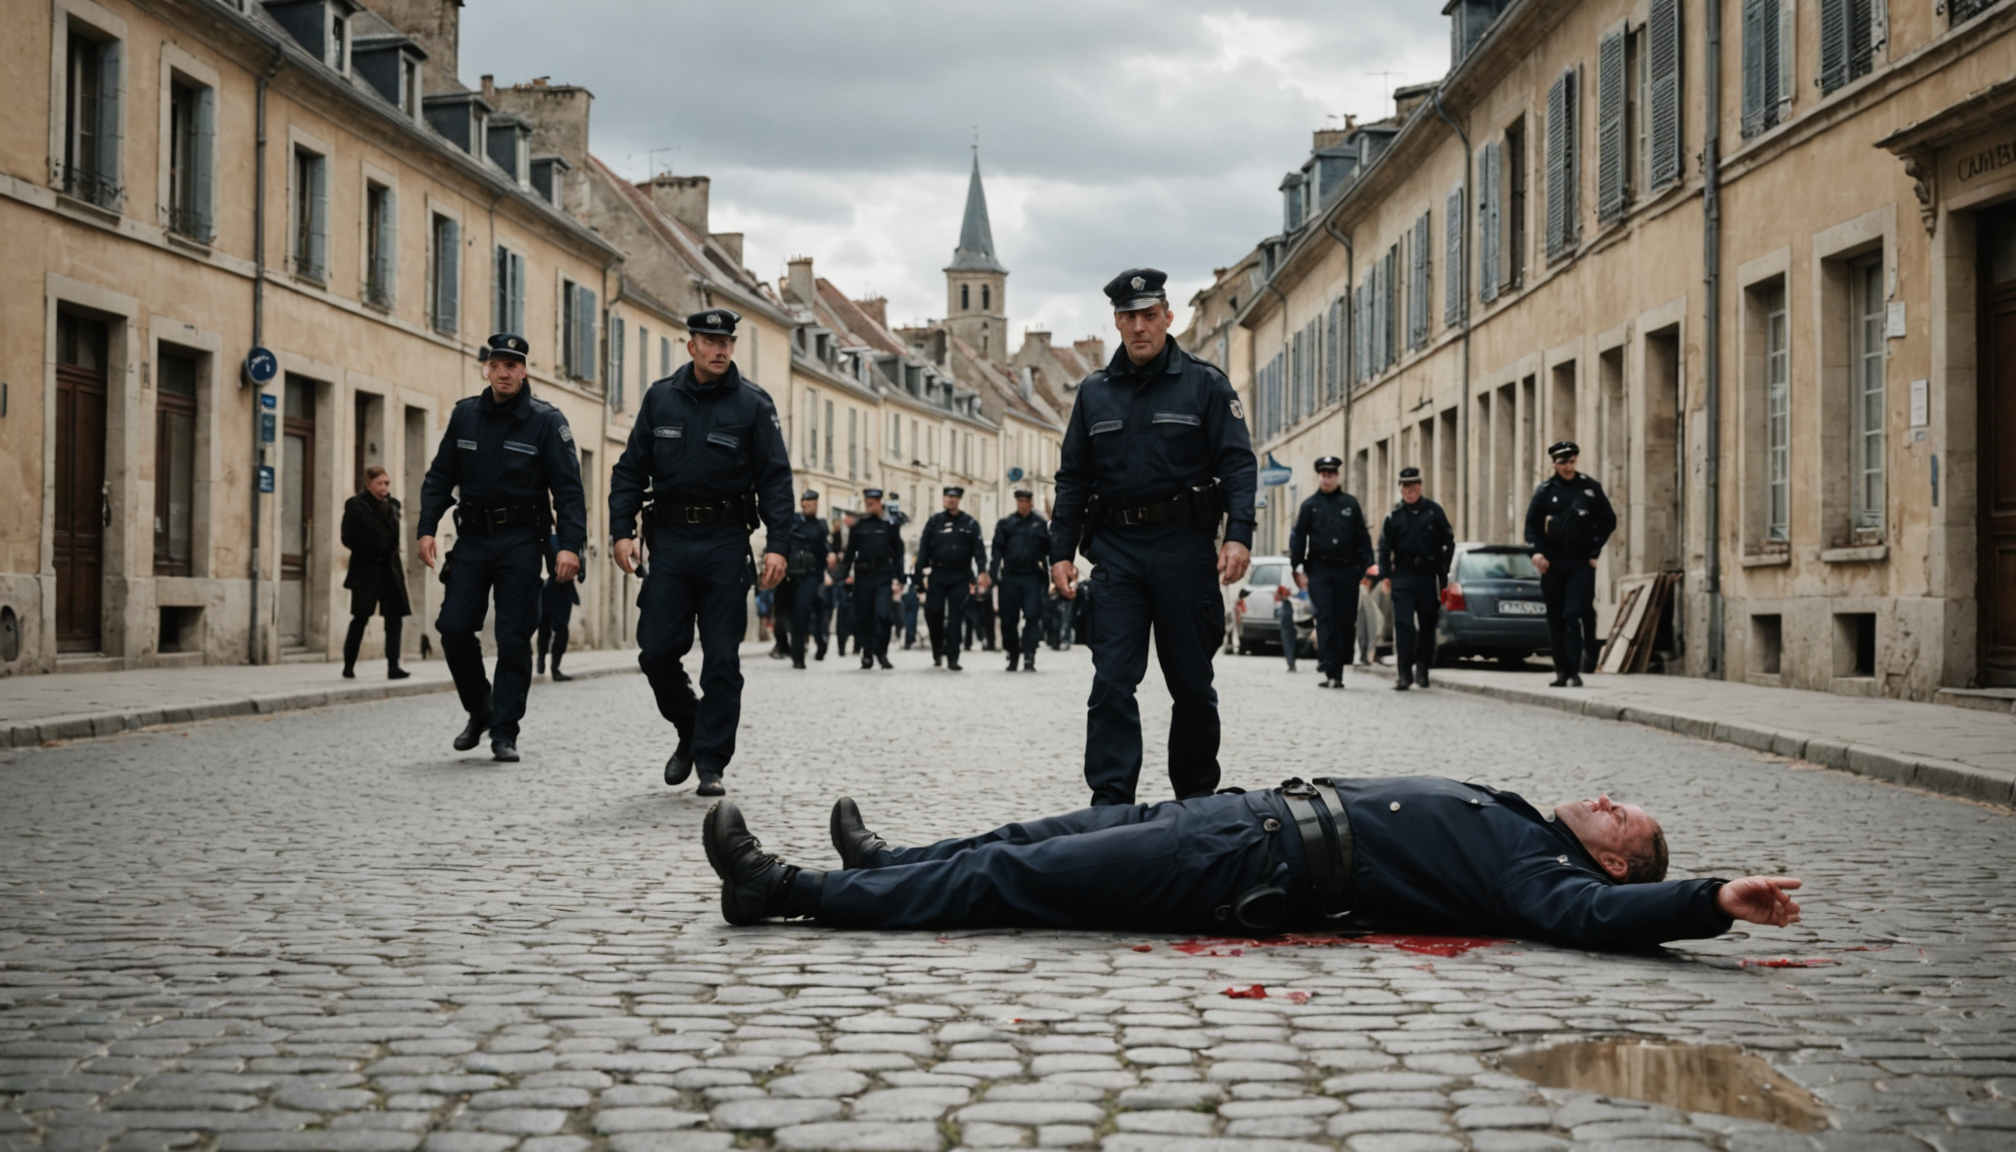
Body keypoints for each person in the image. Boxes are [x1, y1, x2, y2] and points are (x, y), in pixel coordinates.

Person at [699, 783, 1807, 955]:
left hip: (1247, 861)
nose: (1606, 797)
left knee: (1018, 886)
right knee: (1029, 841)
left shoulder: (1545, 875)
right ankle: (889, 860)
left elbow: (1590, 923)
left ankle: (786, 892)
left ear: (1618, 859)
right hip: (1242, 813)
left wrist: (1704, 897)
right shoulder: (1531, 826)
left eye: (1622, 813)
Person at [1050, 268, 1258, 807]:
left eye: (1149, 316)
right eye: (1129, 318)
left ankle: (1196, 801)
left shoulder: (1205, 384)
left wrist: (1238, 535)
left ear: (1168, 318)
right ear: (1117, 323)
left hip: (1183, 549)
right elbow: (1073, 478)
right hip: (1117, 551)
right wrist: (1060, 552)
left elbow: (1238, 464)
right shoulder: (1094, 393)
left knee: (1191, 684)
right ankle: (1111, 804)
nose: (1140, 327)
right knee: (1112, 682)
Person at [609, 308, 793, 797]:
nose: (720, 349)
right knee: (655, 652)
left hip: (725, 543)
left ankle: (711, 761)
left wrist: (778, 545)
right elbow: (629, 471)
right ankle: (690, 728)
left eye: (727, 342)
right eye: (710, 341)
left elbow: (776, 479)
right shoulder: (660, 399)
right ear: (690, 345)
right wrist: (621, 531)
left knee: (722, 660)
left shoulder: (753, 404)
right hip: (668, 542)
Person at [417, 333, 587, 762]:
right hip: (472, 537)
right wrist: (426, 529)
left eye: (513, 365)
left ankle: (504, 732)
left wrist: (570, 546)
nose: (505, 372)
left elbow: (569, 492)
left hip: (521, 541)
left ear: (524, 370)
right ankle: (482, 708)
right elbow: (439, 477)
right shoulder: (464, 416)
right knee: (453, 628)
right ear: (487, 369)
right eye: (497, 364)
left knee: (514, 637)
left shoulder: (547, 422)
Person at [1525, 440, 1619, 688]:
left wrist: (1594, 550)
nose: (1568, 466)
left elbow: (1608, 520)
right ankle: (1561, 671)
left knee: (1573, 614)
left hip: (1580, 562)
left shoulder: (1589, 488)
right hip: (1553, 563)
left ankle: (1575, 670)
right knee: (1556, 617)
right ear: (1554, 463)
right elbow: (1532, 526)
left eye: (1571, 461)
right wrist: (1537, 553)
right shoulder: (1545, 491)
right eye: (1562, 462)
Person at [1289, 456, 1374, 689]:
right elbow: (1298, 538)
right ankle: (1327, 664)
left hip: (1347, 569)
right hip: (1320, 569)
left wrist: (1369, 566)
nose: (1327, 479)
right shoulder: (1310, 505)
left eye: (1331, 475)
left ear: (1337, 476)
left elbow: (1362, 537)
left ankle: (1339, 669)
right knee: (1325, 615)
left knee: (1345, 619)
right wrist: (1296, 567)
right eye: (1323, 475)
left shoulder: (1350, 504)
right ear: (1319, 476)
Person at [1377, 467, 1455, 692]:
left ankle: (1423, 668)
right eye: (1405, 487)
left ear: (1420, 487)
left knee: (1428, 625)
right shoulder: (1394, 517)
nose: (1409, 491)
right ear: (1400, 489)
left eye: (1413, 486)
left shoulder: (1434, 512)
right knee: (1404, 626)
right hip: (1403, 575)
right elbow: (1384, 548)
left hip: (1427, 576)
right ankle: (1404, 673)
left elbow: (1449, 541)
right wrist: (1386, 576)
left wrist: (1444, 570)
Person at [339, 465, 411, 681]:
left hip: (390, 569)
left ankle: (393, 666)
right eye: (379, 483)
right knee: (360, 618)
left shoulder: (393, 506)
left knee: (394, 618)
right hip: (366, 570)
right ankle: (348, 666)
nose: (384, 487)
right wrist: (368, 549)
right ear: (368, 484)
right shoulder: (356, 506)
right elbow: (347, 537)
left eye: (386, 483)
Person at [914, 487, 987, 670]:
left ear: (960, 499)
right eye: (948, 497)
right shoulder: (934, 522)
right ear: (943, 499)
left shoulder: (969, 523)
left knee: (956, 617)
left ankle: (953, 657)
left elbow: (979, 551)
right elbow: (923, 550)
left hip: (960, 576)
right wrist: (918, 576)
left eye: (954, 497)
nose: (951, 500)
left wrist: (982, 571)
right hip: (938, 574)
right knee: (933, 612)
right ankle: (938, 649)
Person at [840, 490, 903, 670]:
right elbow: (849, 553)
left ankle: (881, 652)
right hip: (864, 577)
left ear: (880, 503)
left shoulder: (889, 526)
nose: (869, 507)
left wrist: (899, 577)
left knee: (884, 616)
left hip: (883, 576)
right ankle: (867, 653)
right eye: (867, 503)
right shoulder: (860, 526)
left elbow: (898, 552)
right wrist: (843, 575)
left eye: (873, 503)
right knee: (864, 617)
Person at [991, 488, 1051, 672]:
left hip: (1033, 576)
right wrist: (993, 576)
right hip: (1010, 577)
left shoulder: (1040, 524)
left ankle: (1029, 655)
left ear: (1031, 502)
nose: (1024, 505)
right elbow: (997, 551)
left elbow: (1050, 550)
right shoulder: (1006, 524)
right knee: (1008, 619)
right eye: (1020, 501)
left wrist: (1053, 576)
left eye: (1026, 501)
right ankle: (1013, 653)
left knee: (1033, 616)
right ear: (1017, 503)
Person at [775, 490, 832, 670]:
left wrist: (826, 568)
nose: (806, 507)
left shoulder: (821, 526)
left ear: (816, 504)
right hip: (791, 576)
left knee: (803, 612)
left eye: (810, 504)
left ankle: (799, 656)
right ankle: (794, 649)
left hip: (810, 575)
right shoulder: (793, 522)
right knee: (788, 612)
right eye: (804, 504)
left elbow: (824, 551)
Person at [535, 534, 583, 682]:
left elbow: (582, 571)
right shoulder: (548, 539)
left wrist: (579, 572)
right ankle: (541, 658)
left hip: (564, 591)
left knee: (561, 629)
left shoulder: (576, 542)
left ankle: (555, 667)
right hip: (547, 589)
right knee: (544, 628)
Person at [1276, 573, 1306, 672]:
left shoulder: (1289, 567)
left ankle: (1291, 661)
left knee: (1287, 634)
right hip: (1303, 601)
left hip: (1294, 603)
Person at [900, 576, 920, 650]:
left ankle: (908, 639)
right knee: (910, 617)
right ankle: (909, 639)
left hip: (906, 590)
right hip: (910, 590)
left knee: (908, 618)